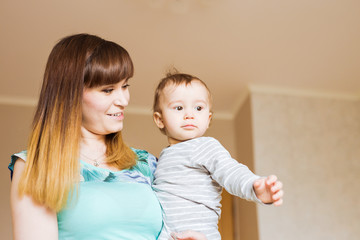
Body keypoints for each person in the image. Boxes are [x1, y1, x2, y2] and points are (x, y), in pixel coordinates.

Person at [9, 34, 205, 240]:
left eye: (125, 86)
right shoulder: (36, 165)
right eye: (108, 90)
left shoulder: (146, 163)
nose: (123, 100)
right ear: (71, 95)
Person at [152, 72, 284, 240]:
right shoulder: (163, 157)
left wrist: (254, 187)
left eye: (198, 108)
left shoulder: (206, 146)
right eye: (179, 108)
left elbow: (231, 171)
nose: (189, 114)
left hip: (201, 234)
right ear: (159, 119)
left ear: (208, 119)